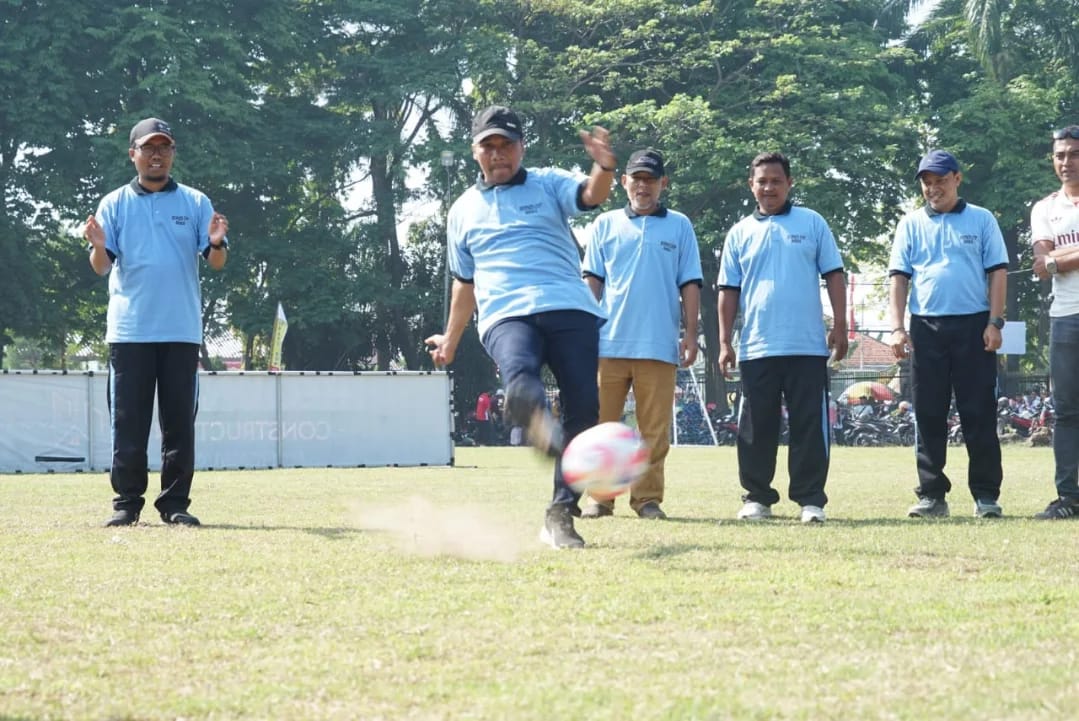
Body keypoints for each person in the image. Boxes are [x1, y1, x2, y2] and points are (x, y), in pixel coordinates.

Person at [424, 105, 616, 549]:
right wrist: (450, 338)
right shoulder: (462, 210)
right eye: (488, 146)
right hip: (506, 314)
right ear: (475, 152)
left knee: (585, 412)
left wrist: (604, 166)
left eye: (506, 145)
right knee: (522, 385)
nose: (498, 154)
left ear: (521, 148)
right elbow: (464, 282)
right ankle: (534, 422)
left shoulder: (547, 182)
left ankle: (561, 514)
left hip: (570, 307)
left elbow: (591, 195)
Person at [83, 117, 229, 527]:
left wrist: (216, 243)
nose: (157, 155)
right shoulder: (114, 204)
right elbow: (100, 267)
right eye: (149, 148)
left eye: (164, 147)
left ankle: (175, 503)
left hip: (181, 331)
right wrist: (97, 246)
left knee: (179, 423)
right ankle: (127, 503)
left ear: (172, 154)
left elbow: (216, 262)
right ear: (133, 154)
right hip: (130, 332)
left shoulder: (196, 202)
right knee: (128, 422)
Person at [716, 151, 848, 523]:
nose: (769, 187)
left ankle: (811, 500)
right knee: (757, 428)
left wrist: (839, 326)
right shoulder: (740, 232)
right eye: (762, 181)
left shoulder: (812, 223)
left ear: (790, 183)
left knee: (809, 426)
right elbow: (728, 289)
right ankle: (757, 497)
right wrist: (725, 342)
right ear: (751, 185)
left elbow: (834, 275)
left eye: (776, 180)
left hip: (807, 345)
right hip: (757, 346)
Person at [580, 148, 703, 520]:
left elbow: (690, 283)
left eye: (651, 179)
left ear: (663, 183)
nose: (643, 186)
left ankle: (647, 500)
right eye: (637, 179)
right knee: (603, 429)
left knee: (654, 431)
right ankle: (600, 499)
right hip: (608, 342)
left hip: (659, 345)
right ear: (623, 183)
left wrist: (691, 334)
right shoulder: (604, 225)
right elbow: (592, 281)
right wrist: (584, 332)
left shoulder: (680, 225)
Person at [887, 149, 1008, 519]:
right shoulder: (910, 224)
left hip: (974, 326)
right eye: (927, 182)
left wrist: (995, 321)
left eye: (940, 180)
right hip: (926, 328)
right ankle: (931, 495)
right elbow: (898, 278)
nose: (933, 188)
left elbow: (998, 272)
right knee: (928, 413)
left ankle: (986, 495)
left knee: (979, 412)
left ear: (957, 178)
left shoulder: (982, 219)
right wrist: (896, 327)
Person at [1031, 125, 1079, 519]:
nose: (1066, 162)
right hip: (1065, 318)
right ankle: (1069, 497)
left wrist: (1059, 258)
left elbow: (1053, 260)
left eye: (1074, 154)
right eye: (1061, 155)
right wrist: (1054, 261)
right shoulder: (1045, 208)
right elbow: (1040, 265)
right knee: (1065, 411)